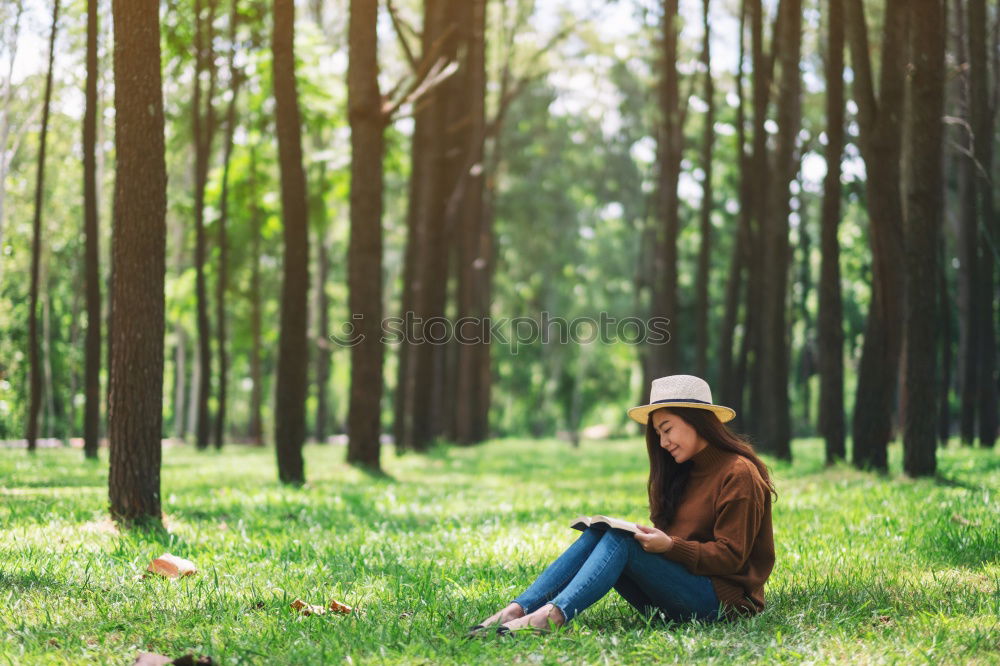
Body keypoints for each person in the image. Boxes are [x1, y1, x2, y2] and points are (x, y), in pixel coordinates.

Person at [468, 374, 776, 636]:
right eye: (658, 434)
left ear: (698, 421)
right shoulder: (684, 472)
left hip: (724, 604)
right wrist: (659, 542)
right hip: (678, 594)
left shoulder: (738, 473)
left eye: (667, 429)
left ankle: (553, 616)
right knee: (600, 532)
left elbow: (732, 557)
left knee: (620, 541)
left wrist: (669, 546)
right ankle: (516, 610)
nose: (663, 442)